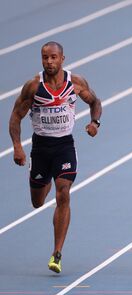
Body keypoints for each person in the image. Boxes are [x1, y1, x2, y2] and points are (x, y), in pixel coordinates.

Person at [9, 41, 102, 274]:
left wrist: (94, 122)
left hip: (64, 146)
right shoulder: (33, 86)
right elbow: (15, 116)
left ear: (62, 59)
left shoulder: (76, 82)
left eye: (53, 57)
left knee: (64, 192)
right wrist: (17, 147)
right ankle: (45, 178)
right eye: (44, 58)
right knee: (38, 202)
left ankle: (57, 253)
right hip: (40, 148)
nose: (49, 62)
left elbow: (95, 102)